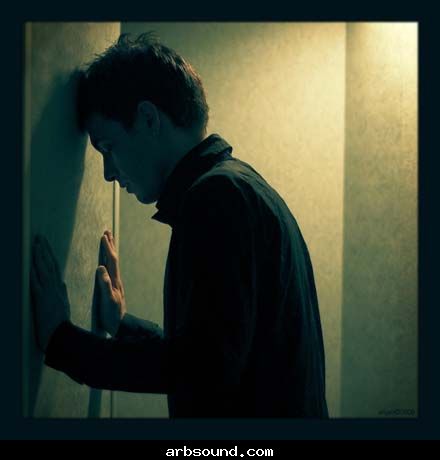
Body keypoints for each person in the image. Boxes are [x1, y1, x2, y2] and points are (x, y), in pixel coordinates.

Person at [30, 33, 329, 418]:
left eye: (108, 147)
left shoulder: (217, 198)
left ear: (148, 119)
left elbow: (202, 370)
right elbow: (213, 352)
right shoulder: (240, 187)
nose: (107, 173)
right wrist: (123, 327)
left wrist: (61, 341)